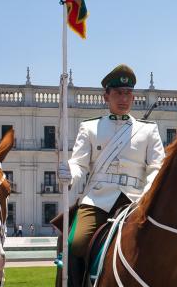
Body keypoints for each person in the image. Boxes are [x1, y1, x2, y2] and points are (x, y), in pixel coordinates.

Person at [58, 64, 166, 263]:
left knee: (173, 240)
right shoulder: (89, 128)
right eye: (118, 93)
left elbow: (156, 167)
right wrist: (70, 172)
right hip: (98, 200)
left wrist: (147, 196)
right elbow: (80, 163)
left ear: (133, 97)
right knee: (75, 244)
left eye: (127, 93)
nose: (123, 99)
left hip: (136, 199)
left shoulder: (148, 130)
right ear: (106, 96)